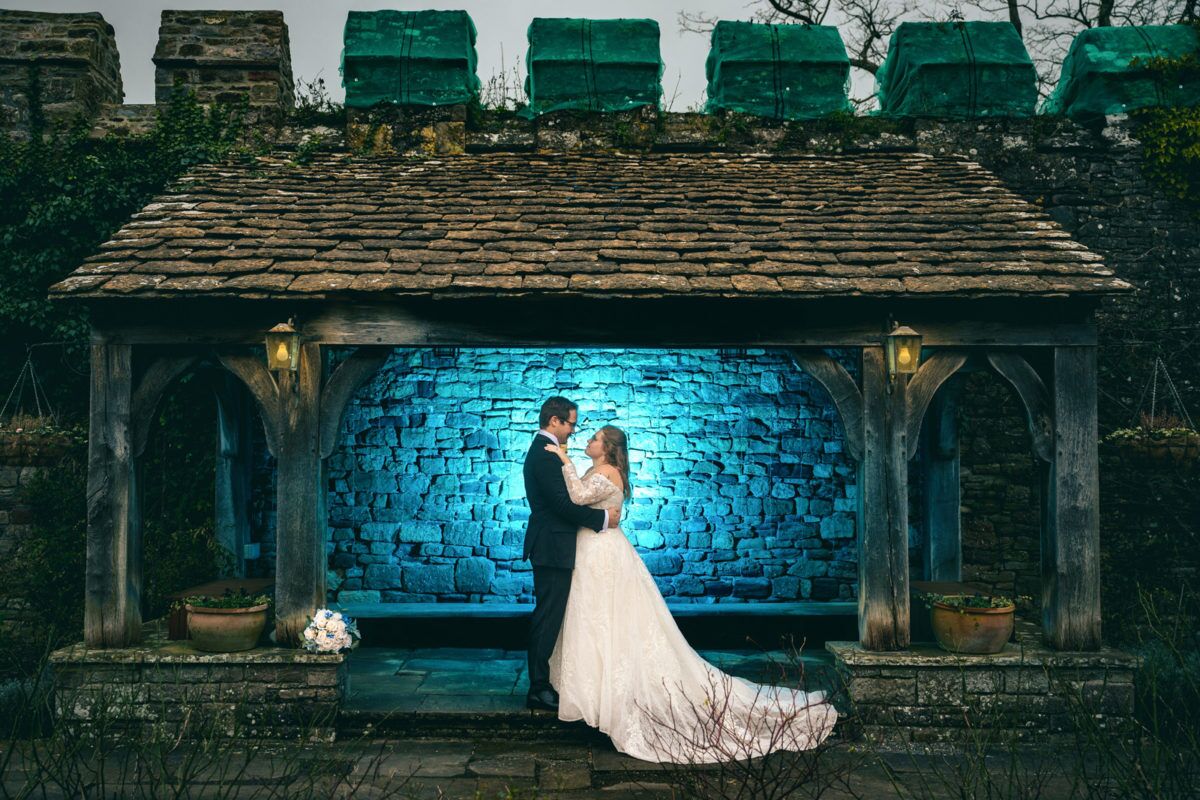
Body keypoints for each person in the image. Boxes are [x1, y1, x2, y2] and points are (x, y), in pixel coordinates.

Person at [542, 424, 838, 763]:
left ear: (608, 447)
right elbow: (585, 499)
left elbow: (577, 497)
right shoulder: (598, 468)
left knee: (608, 619)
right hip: (593, 550)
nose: (587, 441)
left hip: (603, 554)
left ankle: (610, 695)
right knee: (594, 620)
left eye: (594, 438)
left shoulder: (607, 470)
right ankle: (594, 692)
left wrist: (563, 459)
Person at [521, 396, 620, 712]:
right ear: (554, 421)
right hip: (552, 545)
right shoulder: (544, 456)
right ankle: (538, 687)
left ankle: (545, 682)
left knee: (551, 616)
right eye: (571, 424)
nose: (574, 431)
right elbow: (562, 505)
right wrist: (603, 519)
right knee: (547, 617)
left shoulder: (548, 453)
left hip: (554, 544)